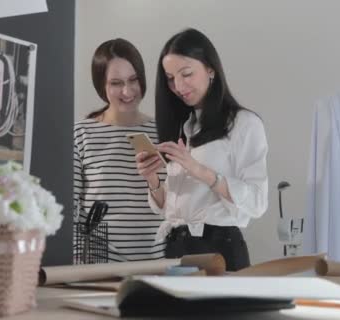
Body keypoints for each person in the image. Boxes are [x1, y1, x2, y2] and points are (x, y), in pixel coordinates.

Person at [135, 28, 269, 271]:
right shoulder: (184, 127)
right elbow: (172, 207)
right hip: (175, 249)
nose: (178, 86)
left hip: (219, 249)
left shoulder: (244, 124)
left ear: (210, 69)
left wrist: (200, 171)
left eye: (186, 74)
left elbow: (257, 202)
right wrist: (152, 180)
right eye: (170, 78)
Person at [73, 38, 165, 263]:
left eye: (133, 80)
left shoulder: (164, 131)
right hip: (97, 265)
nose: (127, 91)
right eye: (116, 83)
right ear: (101, 86)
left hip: (158, 264)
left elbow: (177, 207)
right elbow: (68, 208)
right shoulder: (81, 134)